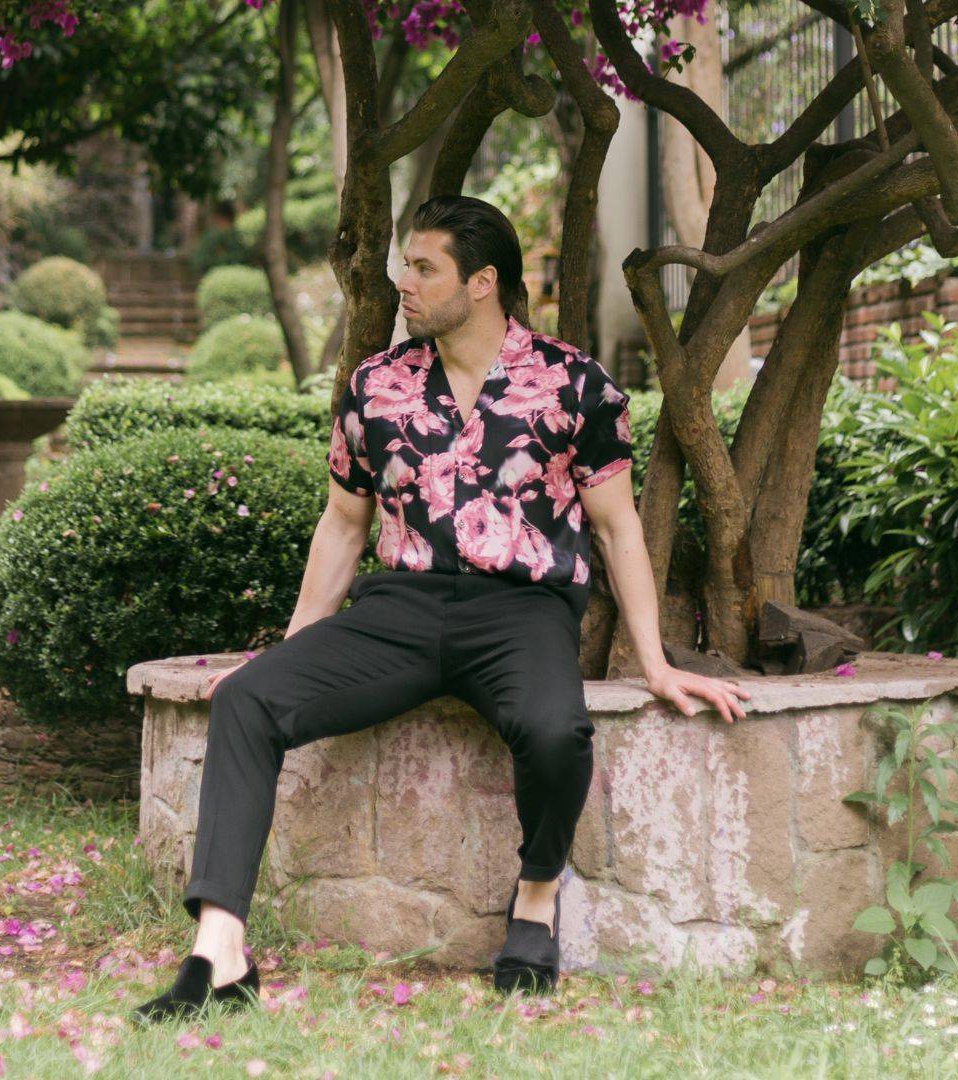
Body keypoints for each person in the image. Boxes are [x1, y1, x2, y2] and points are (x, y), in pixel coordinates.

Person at [133, 195, 751, 1023]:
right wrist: (285, 653)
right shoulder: (373, 388)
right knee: (248, 700)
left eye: (424, 268)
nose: (405, 283)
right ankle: (219, 952)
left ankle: (535, 897)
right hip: (401, 608)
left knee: (556, 730)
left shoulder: (576, 385)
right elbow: (343, 527)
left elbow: (618, 528)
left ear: (484, 282)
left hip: (522, 612)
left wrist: (656, 661)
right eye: (405, 265)